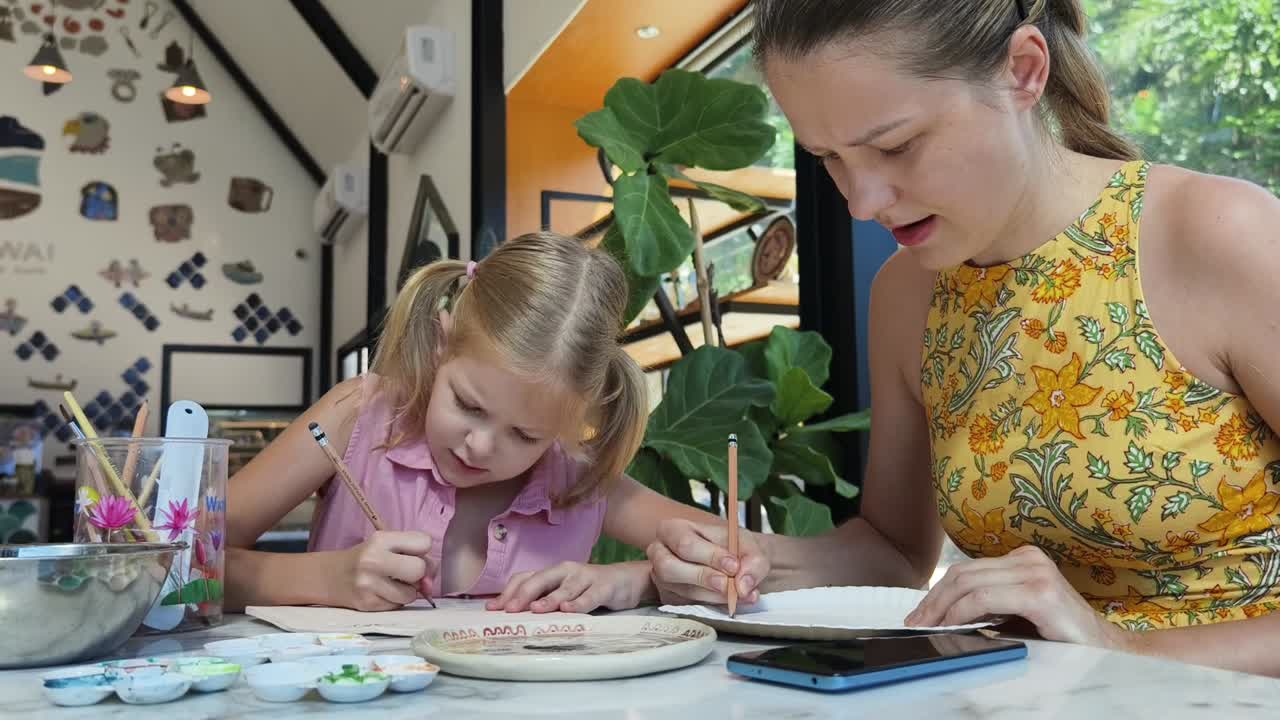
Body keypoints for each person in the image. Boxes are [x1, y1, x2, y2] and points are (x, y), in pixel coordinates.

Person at [647, 0, 1280, 675]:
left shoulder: (1218, 235)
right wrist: (762, 564)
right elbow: (894, 553)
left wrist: (1124, 649)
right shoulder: (907, 293)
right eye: (829, 157)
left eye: (895, 146)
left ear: (1024, 71)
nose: (861, 203)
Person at [225, 232, 718, 614]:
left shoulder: (578, 478)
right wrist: (325, 579)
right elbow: (173, 564)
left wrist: (634, 582)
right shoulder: (358, 415)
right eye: (468, 404)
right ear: (442, 343)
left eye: (526, 435)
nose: (480, 446)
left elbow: (744, 561)